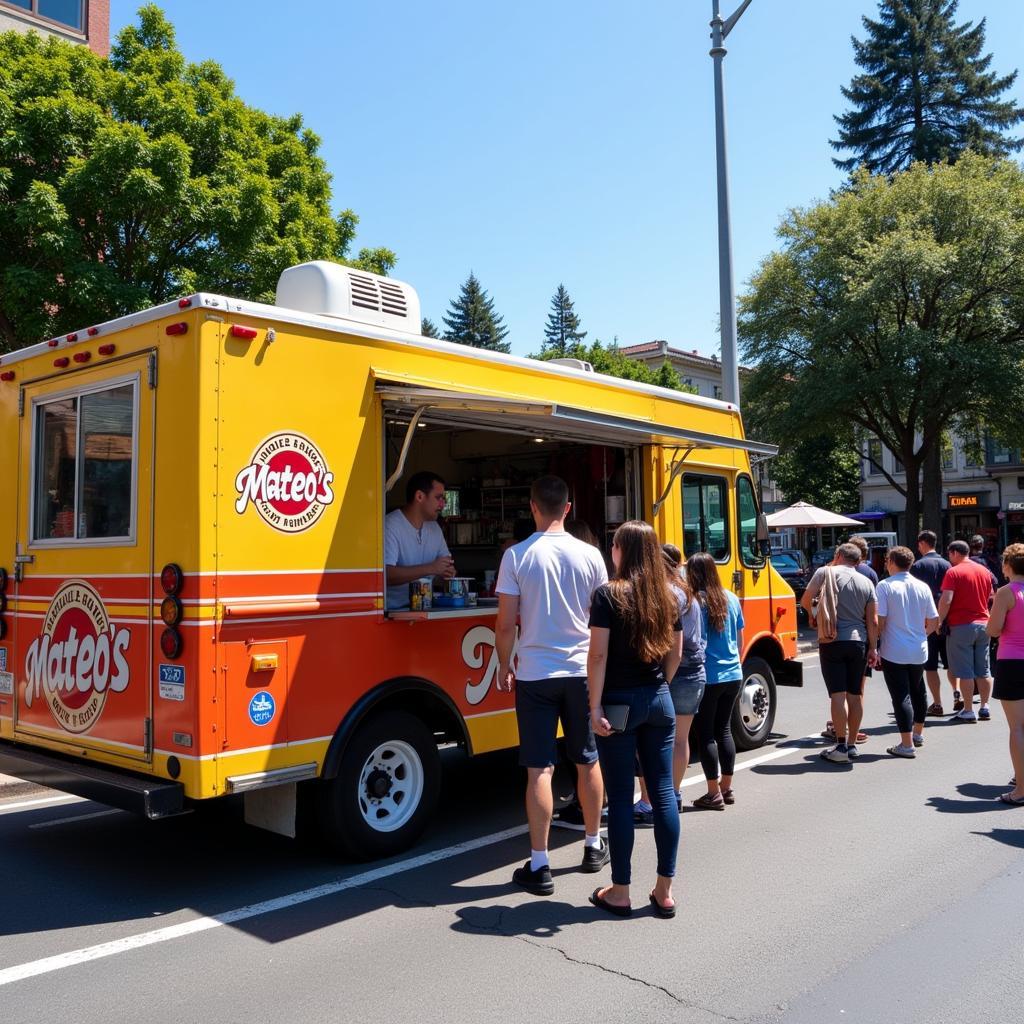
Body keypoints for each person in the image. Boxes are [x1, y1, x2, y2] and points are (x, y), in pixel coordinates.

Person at [495, 475, 609, 895]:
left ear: (532, 507)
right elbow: (601, 622)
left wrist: (504, 663)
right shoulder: (592, 556)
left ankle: (540, 865)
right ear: (568, 508)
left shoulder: (517, 556)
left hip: (535, 674)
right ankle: (594, 846)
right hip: (580, 672)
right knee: (587, 759)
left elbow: (506, 623)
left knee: (539, 768)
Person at [587, 521, 683, 917]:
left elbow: (598, 657)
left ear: (622, 550)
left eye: (614, 545)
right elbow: (675, 654)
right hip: (659, 699)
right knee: (662, 793)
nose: (612, 550)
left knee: (622, 797)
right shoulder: (669, 596)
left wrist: (593, 707)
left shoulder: (608, 595)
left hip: (618, 705)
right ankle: (664, 890)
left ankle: (620, 891)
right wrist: (658, 686)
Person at [635, 544, 705, 823]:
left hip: (671, 671)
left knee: (649, 741)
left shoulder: (662, 595)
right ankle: (673, 795)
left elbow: (668, 644)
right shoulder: (688, 594)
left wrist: (664, 678)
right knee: (680, 740)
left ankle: (650, 801)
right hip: (695, 672)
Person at [801, 543, 878, 764]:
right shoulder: (867, 582)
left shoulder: (825, 572)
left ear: (838, 556)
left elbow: (806, 600)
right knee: (855, 695)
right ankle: (852, 745)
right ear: (858, 561)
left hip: (832, 640)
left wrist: (815, 614)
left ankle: (841, 745)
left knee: (838, 695)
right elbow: (873, 620)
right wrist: (873, 647)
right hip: (859, 642)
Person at [688, 551, 745, 807]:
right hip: (733, 673)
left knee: (705, 734)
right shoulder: (731, 598)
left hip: (708, 676)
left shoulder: (696, 603)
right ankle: (726, 787)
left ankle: (713, 793)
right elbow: (740, 639)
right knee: (724, 730)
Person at [876, 546, 939, 758]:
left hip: (894, 648)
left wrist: (876, 640)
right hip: (919, 647)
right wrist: (923, 634)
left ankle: (907, 743)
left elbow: (881, 620)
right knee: (918, 690)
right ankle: (918, 733)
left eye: (887, 560)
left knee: (901, 695)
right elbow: (934, 620)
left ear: (892, 562)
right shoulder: (922, 586)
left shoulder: (884, 586)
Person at [939, 540, 995, 723]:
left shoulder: (953, 572)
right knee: (984, 669)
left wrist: (939, 621)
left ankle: (969, 710)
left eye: (949, 553)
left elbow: (946, 599)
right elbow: (991, 597)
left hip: (961, 625)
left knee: (965, 671)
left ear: (955, 552)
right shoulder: (984, 571)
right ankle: (985, 707)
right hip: (983, 623)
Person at [384, 471, 456, 609]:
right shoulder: (390, 525)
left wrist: (446, 573)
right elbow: (386, 575)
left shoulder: (434, 527)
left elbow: (446, 567)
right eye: (438, 498)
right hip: (393, 612)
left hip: (426, 607)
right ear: (419, 496)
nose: (442, 505)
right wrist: (431, 568)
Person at [986, 543, 1024, 805]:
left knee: (1018, 729)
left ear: (1008, 566)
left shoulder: (1006, 592)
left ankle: (1021, 789)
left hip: (1012, 662)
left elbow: (994, 630)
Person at [909, 530, 960, 715]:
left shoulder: (918, 566)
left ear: (922, 543)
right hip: (947, 620)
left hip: (927, 621)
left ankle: (937, 703)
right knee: (950, 663)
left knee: (930, 666)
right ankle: (957, 693)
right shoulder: (949, 565)